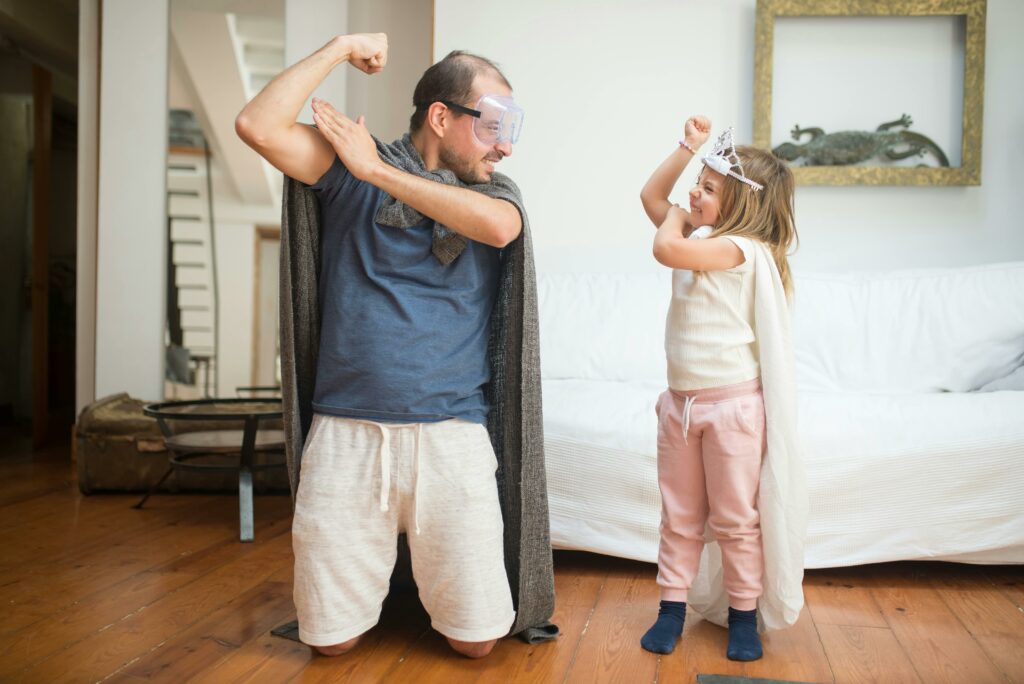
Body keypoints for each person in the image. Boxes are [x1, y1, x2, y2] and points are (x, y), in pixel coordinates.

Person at [235, 33, 555, 659]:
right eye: (494, 126)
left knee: (478, 643)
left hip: (451, 436)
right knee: (330, 643)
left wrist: (376, 171)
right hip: (347, 435)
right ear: (442, 115)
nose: (506, 145)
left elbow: (497, 229)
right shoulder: (347, 175)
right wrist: (338, 49)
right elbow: (257, 125)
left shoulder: (492, 194)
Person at [637, 117, 807, 659]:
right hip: (681, 406)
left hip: (732, 409)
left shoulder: (737, 250)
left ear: (739, 205)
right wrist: (687, 149)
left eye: (709, 188)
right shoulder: (699, 236)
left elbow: (667, 249)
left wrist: (678, 222)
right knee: (679, 515)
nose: (694, 192)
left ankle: (742, 617)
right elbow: (650, 194)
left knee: (735, 519)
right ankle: (671, 608)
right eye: (699, 181)